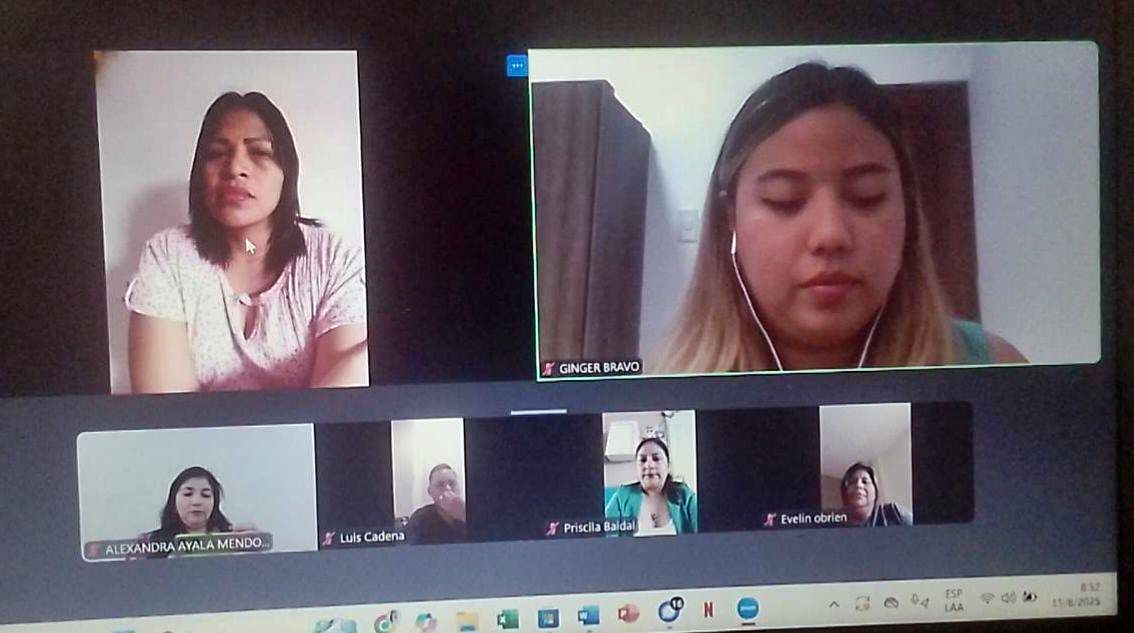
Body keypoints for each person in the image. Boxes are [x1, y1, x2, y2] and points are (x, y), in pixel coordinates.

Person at [654, 62, 1026, 374]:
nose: (830, 235)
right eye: (784, 200)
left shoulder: (996, 369)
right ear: (729, 220)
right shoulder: (662, 398)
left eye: (868, 196)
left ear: (908, 213)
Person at [125, 91, 368, 393]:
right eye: (216, 154)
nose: (235, 168)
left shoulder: (333, 260)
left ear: (286, 172)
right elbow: (166, 412)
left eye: (260, 153)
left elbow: (340, 406)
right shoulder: (168, 256)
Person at [139, 466, 255, 558]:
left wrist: (255, 544)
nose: (196, 502)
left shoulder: (233, 540)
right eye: (188, 494)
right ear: (173, 502)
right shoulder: (148, 543)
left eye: (205, 495)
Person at [605, 437, 698, 536]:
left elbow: (706, 533)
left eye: (656, 459)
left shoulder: (685, 495)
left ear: (668, 466)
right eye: (643, 460)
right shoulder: (622, 496)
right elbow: (604, 538)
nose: (649, 465)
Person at [405, 463, 467, 545]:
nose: (448, 488)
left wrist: (463, 514)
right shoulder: (419, 519)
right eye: (440, 485)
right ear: (430, 492)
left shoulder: (471, 514)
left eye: (452, 483)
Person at [840, 462, 911, 527]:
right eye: (852, 482)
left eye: (865, 481)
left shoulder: (894, 512)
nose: (858, 485)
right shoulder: (837, 521)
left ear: (875, 490)